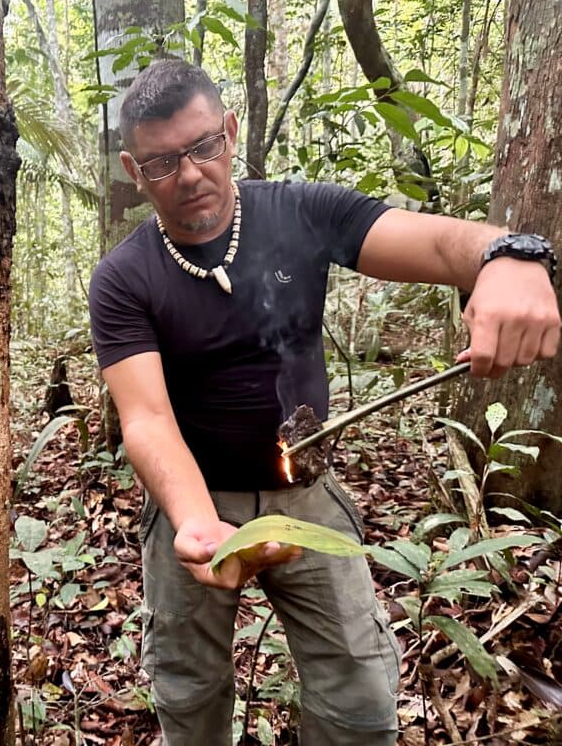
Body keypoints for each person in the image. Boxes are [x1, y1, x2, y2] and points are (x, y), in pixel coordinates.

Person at [88, 59, 560, 746]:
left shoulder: (301, 212)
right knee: (187, 695)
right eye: (161, 163)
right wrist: (196, 523)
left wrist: (508, 256)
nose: (189, 174)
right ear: (134, 171)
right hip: (194, 498)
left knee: (361, 696)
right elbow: (148, 418)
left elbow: (435, 240)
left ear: (229, 131)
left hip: (306, 497)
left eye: (202, 147)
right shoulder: (124, 278)